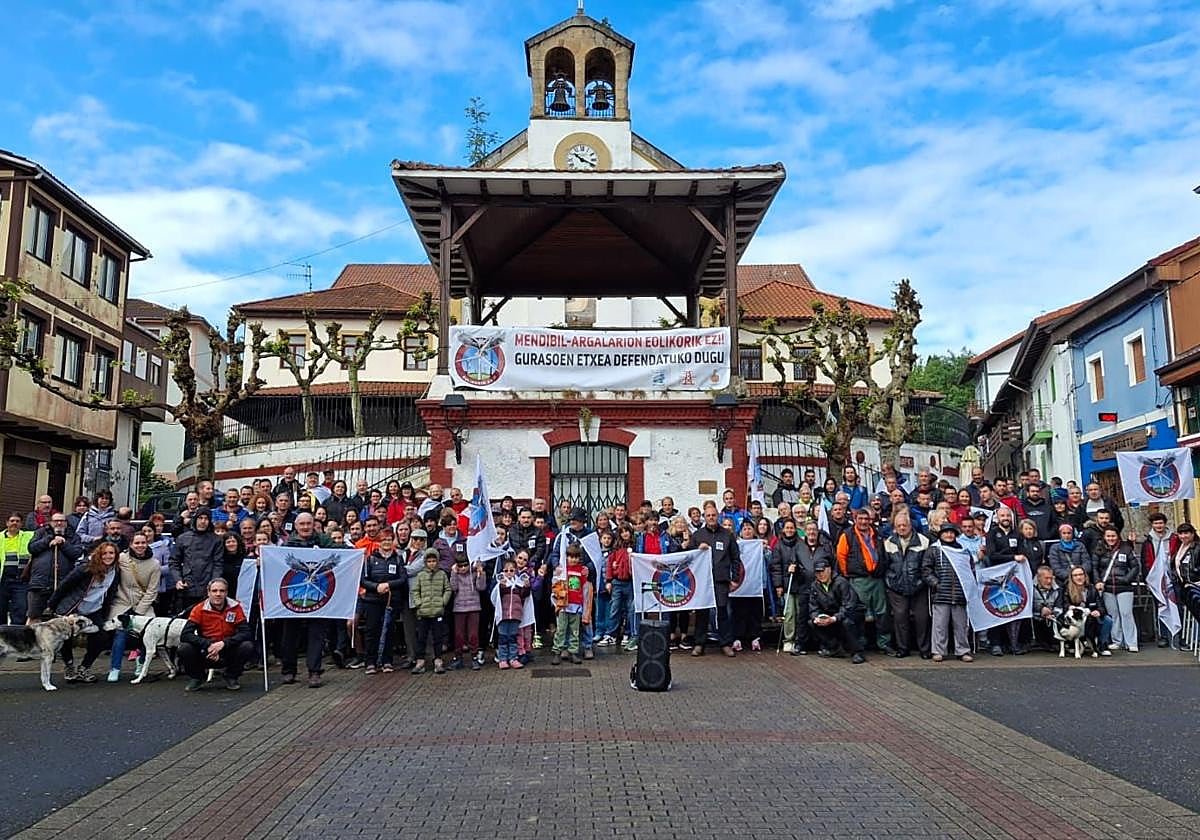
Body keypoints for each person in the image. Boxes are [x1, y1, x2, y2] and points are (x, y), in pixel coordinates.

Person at [46, 542, 122, 683]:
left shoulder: (115, 571)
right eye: (104, 553)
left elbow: (110, 593)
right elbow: (65, 585)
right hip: (73, 607)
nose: (108, 556)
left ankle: (84, 667)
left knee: (101, 636)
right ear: (99, 554)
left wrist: (105, 613)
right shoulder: (86, 568)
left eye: (111, 553)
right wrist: (51, 604)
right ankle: (69, 667)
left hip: (94, 609)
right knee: (66, 637)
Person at [177, 578, 255, 691]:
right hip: (206, 650)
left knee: (247, 646)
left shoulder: (235, 607)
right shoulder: (199, 609)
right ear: (208, 593)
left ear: (226, 593)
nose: (218, 594)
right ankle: (197, 678)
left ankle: (231, 676)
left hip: (227, 648)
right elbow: (185, 635)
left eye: (222, 591)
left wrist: (224, 643)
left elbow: (246, 632)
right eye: (214, 591)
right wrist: (208, 644)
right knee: (184, 648)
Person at [105, 533, 161, 682]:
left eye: (143, 542)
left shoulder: (154, 564)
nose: (140, 546)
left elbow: (152, 591)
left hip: (143, 605)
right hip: (121, 603)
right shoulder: (122, 559)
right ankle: (115, 668)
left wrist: (138, 612)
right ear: (131, 544)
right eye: (137, 543)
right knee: (120, 633)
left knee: (147, 633)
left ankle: (141, 663)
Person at [835, 508, 892, 654]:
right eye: (860, 519)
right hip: (859, 579)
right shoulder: (847, 535)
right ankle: (860, 643)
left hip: (877, 579)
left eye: (866, 519)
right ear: (855, 520)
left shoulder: (877, 534)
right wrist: (848, 574)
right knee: (860, 613)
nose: (863, 522)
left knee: (882, 613)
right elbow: (841, 556)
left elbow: (883, 553)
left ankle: (884, 643)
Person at [688, 504, 739, 657]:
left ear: (718, 516)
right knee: (702, 612)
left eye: (713, 515)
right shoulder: (698, 535)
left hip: (721, 580)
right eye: (708, 515)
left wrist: (735, 579)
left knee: (723, 611)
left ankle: (726, 644)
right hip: (703, 580)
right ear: (704, 517)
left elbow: (736, 558)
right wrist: (698, 549)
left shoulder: (727, 535)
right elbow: (689, 557)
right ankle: (699, 643)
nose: (711, 518)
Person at [772, 517, 828, 655]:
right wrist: (789, 573)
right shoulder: (797, 547)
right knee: (797, 615)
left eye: (814, 530)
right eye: (809, 530)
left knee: (815, 614)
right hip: (798, 585)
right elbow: (783, 565)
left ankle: (819, 643)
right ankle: (795, 642)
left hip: (817, 587)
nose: (811, 532)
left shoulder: (824, 547)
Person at [922, 522, 974, 663]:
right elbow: (926, 570)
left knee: (961, 626)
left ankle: (963, 651)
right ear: (940, 534)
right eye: (946, 532)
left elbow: (970, 570)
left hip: (960, 593)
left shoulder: (963, 550)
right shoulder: (934, 550)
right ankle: (938, 651)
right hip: (941, 594)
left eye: (952, 532)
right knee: (940, 625)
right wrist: (936, 584)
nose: (949, 535)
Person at [883, 513, 931, 659]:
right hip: (896, 588)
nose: (902, 528)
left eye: (905, 525)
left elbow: (927, 565)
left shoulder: (924, 541)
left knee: (922, 619)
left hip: (919, 587)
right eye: (899, 526)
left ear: (911, 526)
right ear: (895, 528)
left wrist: (921, 582)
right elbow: (885, 566)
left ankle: (924, 649)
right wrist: (891, 583)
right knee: (900, 619)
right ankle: (902, 649)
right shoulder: (888, 542)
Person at [359, 529, 407, 674]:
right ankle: (370, 662)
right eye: (384, 539)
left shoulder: (398, 559)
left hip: (391, 600)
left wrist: (388, 585)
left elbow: (402, 579)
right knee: (371, 630)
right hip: (372, 600)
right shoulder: (370, 559)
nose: (386, 542)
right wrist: (376, 587)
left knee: (389, 630)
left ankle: (387, 661)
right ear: (379, 541)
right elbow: (363, 580)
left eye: (389, 539)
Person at [26, 512, 82, 622]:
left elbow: (77, 553)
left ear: (66, 523)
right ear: (51, 522)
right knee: (34, 616)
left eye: (62, 521)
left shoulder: (73, 536)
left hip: (62, 585)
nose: (59, 523)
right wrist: (48, 540)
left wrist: (63, 544)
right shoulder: (41, 533)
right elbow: (31, 548)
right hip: (40, 583)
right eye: (56, 521)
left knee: (60, 618)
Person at [808, 558, 866, 663]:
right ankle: (834, 648)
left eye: (822, 571)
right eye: (817, 572)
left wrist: (834, 618)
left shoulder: (841, 582)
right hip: (830, 614)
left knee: (846, 622)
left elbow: (849, 606)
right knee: (812, 623)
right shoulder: (815, 586)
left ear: (829, 570)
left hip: (851, 613)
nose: (821, 574)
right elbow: (813, 607)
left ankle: (857, 652)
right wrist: (817, 617)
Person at [1093, 525, 1139, 653]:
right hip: (1107, 587)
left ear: (1118, 536)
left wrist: (1126, 579)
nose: (1111, 538)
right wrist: (1097, 581)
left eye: (1113, 536)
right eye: (1108, 536)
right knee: (1113, 615)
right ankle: (1117, 640)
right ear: (1104, 536)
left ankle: (1131, 642)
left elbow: (1135, 567)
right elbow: (1095, 567)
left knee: (1126, 614)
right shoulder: (1099, 549)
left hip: (1124, 587)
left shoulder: (1126, 548)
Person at [169, 509, 223, 614]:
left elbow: (218, 564)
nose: (203, 521)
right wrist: (178, 579)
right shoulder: (183, 538)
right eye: (200, 518)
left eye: (206, 518)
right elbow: (174, 562)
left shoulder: (216, 540)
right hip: (187, 586)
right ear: (195, 520)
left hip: (207, 586)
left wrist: (214, 585)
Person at [411, 547, 451, 675]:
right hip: (423, 612)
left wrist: (442, 602)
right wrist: (419, 603)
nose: (432, 563)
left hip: (437, 612)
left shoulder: (442, 574)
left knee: (437, 637)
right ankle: (420, 660)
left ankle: (438, 659)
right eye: (429, 561)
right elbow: (415, 590)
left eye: (434, 561)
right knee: (421, 637)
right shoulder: (421, 575)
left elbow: (448, 589)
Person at [551, 543, 592, 665]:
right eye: (570, 557)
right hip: (564, 605)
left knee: (575, 631)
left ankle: (573, 651)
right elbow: (555, 584)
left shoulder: (581, 571)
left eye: (576, 557)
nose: (573, 559)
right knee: (561, 630)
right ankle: (557, 651)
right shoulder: (563, 570)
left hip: (576, 605)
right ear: (566, 557)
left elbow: (584, 587)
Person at [1058, 565, 1112, 656]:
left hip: (1090, 618)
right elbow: (1064, 604)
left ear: (1085, 575)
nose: (1079, 577)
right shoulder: (1066, 589)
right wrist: (1069, 607)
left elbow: (1101, 607)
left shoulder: (1092, 588)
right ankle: (1072, 645)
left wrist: (1098, 611)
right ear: (1071, 577)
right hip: (1075, 620)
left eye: (1081, 574)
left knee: (1107, 620)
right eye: (1075, 575)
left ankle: (1101, 646)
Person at [448, 556, 487, 670]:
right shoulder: (456, 573)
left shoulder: (474, 573)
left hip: (474, 607)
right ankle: (458, 657)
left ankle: (474, 657)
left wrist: (481, 574)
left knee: (473, 635)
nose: (463, 568)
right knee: (459, 635)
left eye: (466, 565)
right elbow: (453, 587)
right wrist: (454, 573)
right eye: (460, 566)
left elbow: (481, 587)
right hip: (459, 608)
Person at [495, 557, 531, 669]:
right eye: (506, 571)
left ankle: (513, 658)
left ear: (515, 570)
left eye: (511, 570)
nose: (509, 573)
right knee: (503, 637)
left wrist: (527, 586)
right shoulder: (500, 583)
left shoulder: (519, 583)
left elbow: (525, 596)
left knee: (513, 637)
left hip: (515, 615)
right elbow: (494, 596)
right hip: (503, 615)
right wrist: (501, 586)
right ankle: (502, 659)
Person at [0, 513, 33, 625]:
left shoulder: (28, 536)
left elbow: (44, 532)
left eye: (17, 521)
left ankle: (16, 638)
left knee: (21, 609)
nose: (15, 523)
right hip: (2, 580)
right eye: (12, 520)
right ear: (7, 523)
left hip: (21, 580)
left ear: (21, 524)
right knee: (0, 610)